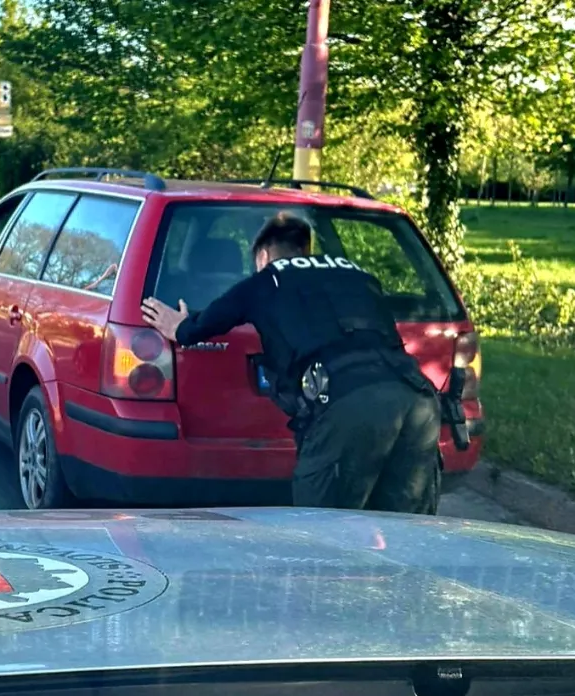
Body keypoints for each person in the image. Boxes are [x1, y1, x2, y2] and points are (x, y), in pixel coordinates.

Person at [141, 211, 442, 514]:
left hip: (347, 403)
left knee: (323, 525)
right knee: (406, 528)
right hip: (417, 397)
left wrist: (179, 326)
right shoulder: (358, 274)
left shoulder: (266, 281)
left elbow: (196, 329)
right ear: (305, 249)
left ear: (263, 255)